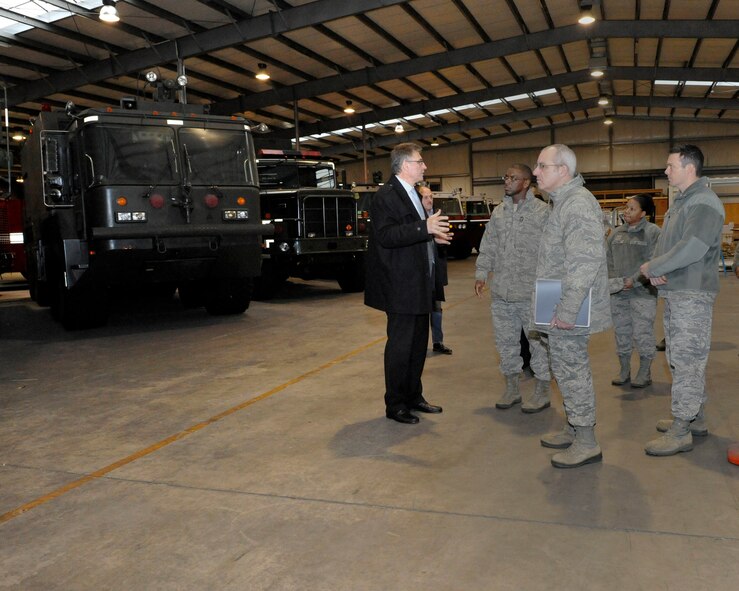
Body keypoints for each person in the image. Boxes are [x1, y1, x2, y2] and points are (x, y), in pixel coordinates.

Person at [640, 144, 725, 455]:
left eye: (670, 166)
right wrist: (659, 271)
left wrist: (654, 267)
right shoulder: (683, 202)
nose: (666, 171)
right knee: (680, 357)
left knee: (687, 361)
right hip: (679, 290)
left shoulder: (703, 202)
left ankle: (681, 430)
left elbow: (693, 247)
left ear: (690, 168)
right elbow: (670, 244)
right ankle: (695, 418)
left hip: (692, 294)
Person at [533, 144, 612, 468]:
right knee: (564, 371)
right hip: (557, 298)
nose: (535, 172)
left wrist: (566, 310)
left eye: (542, 166)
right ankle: (573, 426)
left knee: (572, 370)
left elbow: (584, 261)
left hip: (568, 303)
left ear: (562, 170)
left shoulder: (577, 204)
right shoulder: (562, 203)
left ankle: (586, 440)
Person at [365, 143, 451, 424]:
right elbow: (386, 236)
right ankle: (396, 404)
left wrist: (430, 231)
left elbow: (413, 233)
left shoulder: (413, 193)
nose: (424, 166)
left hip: (419, 281)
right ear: (404, 165)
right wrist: (423, 228)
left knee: (417, 344)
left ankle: (414, 396)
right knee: (401, 347)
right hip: (401, 284)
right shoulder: (386, 196)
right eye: (420, 161)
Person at [474, 164, 552, 413]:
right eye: (505, 176)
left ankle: (541, 390)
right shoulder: (499, 213)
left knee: (538, 346)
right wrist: (481, 272)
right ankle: (512, 388)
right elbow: (488, 244)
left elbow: (552, 252)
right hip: (502, 294)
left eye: (513, 178)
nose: (506, 181)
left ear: (527, 182)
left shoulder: (543, 213)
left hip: (532, 294)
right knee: (506, 344)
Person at [607, 194, 661, 388]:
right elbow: (608, 261)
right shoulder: (615, 233)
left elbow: (654, 261)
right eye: (626, 208)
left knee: (642, 333)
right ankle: (624, 370)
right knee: (621, 333)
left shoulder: (653, 232)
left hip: (643, 294)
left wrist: (634, 281)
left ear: (644, 213)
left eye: (632, 209)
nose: (626, 212)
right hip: (618, 294)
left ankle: (645, 372)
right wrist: (615, 282)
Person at [418, 184, 452, 355]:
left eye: (431, 196)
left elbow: (445, 247)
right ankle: (419, 345)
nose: (430, 200)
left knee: (437, 308)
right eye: (425, 197)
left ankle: (438, 342)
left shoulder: (440, 217)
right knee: (422, 310)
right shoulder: (417, 220)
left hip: (436, 270)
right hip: (421, 274)